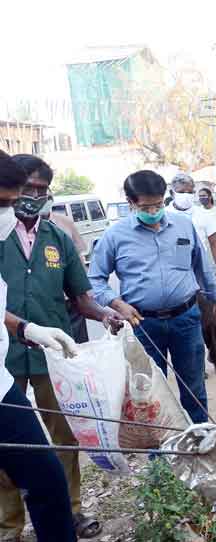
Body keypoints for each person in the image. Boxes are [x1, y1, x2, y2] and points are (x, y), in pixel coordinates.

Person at [0, 155, 123, 540]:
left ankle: (69, 510)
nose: (30, 198)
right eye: (25, 190)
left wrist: (105, 315)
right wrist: (25, 330)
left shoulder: (58, 239)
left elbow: (82, 296)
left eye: (39, 190)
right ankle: (9, 525)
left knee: (65, 435)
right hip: (7, 359)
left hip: (54, 354)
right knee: (9, 445)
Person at [89, 170, 216, 423]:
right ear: (130, 203)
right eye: (145, 206)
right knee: (150, 391)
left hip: (185, 318)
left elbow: (202, 268)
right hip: (143, 323)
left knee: (194, 387)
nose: (153, 211)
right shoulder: (115, 236)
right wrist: (117, 304)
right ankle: (160, 454)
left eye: (157, 204)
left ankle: (201, 439)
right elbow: (95, 279)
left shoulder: (183, 225)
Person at [0, 152, 79, 542]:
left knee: (49, 468)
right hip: (9, 367)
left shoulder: (56, 238)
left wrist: (29, 329)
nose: (12, 210)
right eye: (5, 202)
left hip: (11, 377)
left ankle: (69, 518)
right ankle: (8, 529)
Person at [167, 174, 216, 375]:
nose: (186, 195)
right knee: (185, 321)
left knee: (209, 320)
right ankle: (195, 364)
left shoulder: (203, 215)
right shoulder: (165, 215)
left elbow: (215, 245)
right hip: (177, 276)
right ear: (172, 192)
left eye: (189, 191)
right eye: (181, 191)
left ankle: (215, 353)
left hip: (201, 274)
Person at [39, 190, 90, 343]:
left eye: (48, 196)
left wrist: (85, 289)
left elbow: (78, 256)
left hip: (70, 301)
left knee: (78, 347)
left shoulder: (64, 223)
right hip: (43, 304)